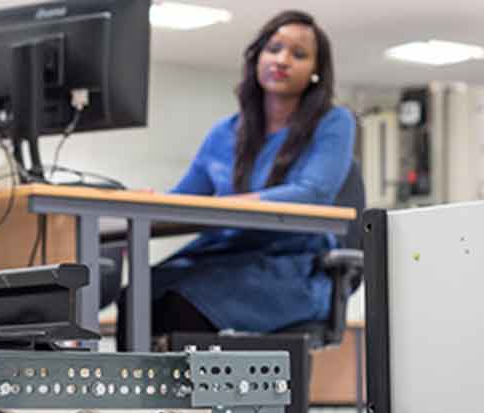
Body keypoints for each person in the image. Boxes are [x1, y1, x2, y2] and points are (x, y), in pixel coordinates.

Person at [116, 10, 356, 350]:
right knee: (136, 297)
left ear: (316, 71)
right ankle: (138, 402)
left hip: (288, 265)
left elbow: (314, 192)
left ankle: (195, 404)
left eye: (299, 54)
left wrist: (225, 206)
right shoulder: (225, 132)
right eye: (274, 49)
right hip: (219, 257)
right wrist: (144, 206)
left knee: (186, 302)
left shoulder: (334, 122)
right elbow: (186, 197)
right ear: (257, 57)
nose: (283, 59)